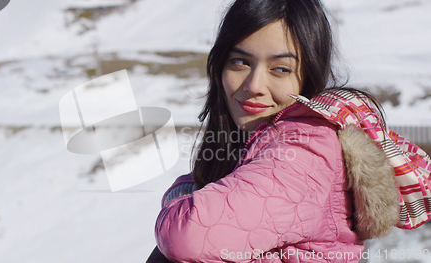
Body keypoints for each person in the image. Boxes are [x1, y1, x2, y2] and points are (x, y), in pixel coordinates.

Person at [147, 0, 431, 262]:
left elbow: (187, 235)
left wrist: (182, 195)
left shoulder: (306, 144)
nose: (254, 84)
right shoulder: (261, 142)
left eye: (281, 69)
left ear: (309, 76)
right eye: (241, 62)